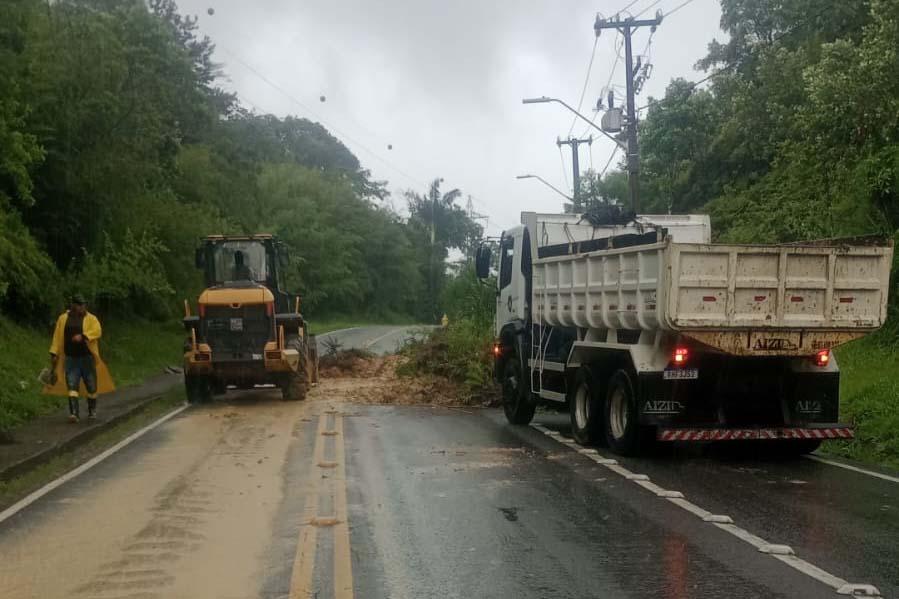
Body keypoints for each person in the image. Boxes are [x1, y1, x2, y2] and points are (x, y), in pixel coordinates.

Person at [44, 295, 115, 422]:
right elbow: (57, 336)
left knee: (91, 386)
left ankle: (92, 411)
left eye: (83, 304)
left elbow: (97, 331)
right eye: (79, 304)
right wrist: (54, 353)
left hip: (87, 357)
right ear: (73, 305)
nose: (82, 307)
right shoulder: (63, 319)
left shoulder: (91, 318)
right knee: (72, 385)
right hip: (71, 358)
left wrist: (83, 336)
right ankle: (74, 414)